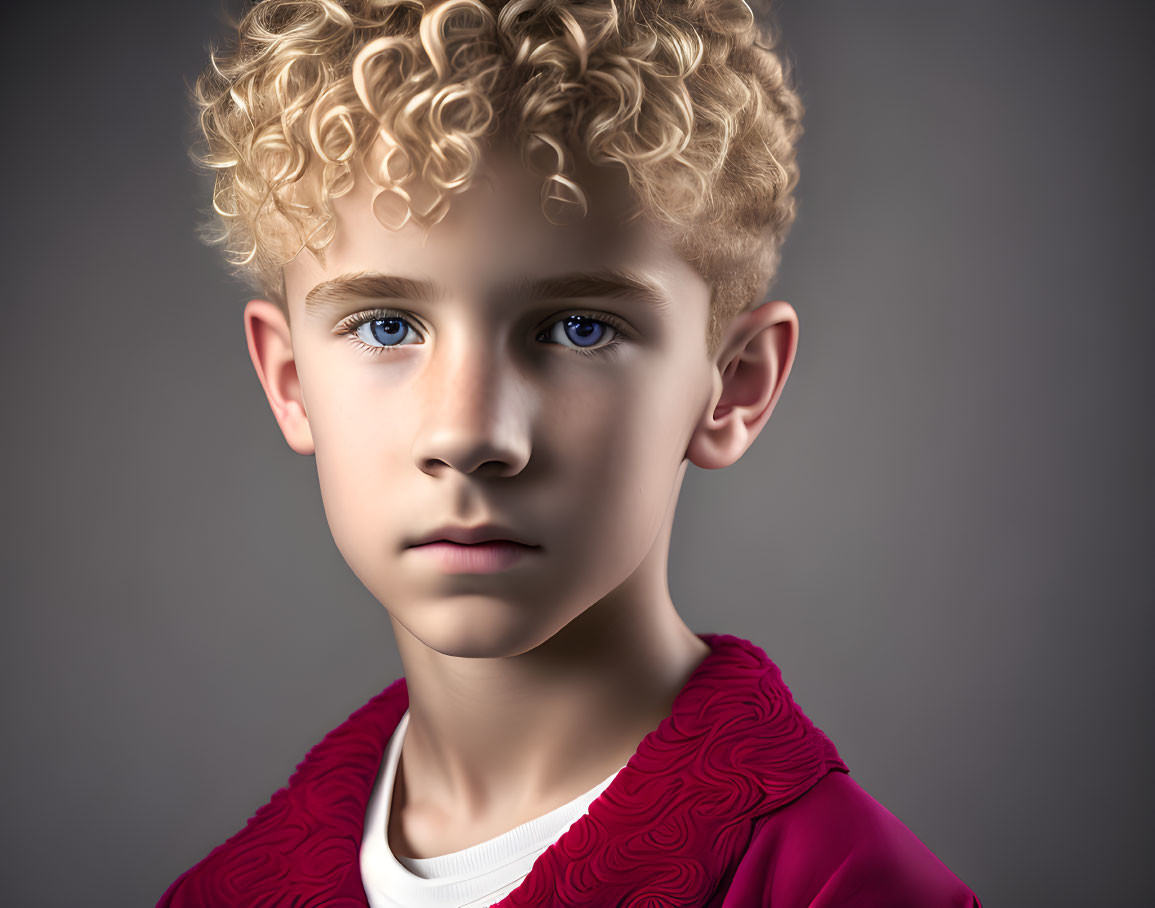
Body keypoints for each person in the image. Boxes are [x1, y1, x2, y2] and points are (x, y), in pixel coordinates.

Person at [159, 0, 982, 904]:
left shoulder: (840, 887)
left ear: (734, 385)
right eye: (386, 325)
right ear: (288, 380)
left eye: (579, 327)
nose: (467, 433)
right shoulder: (221, 893)